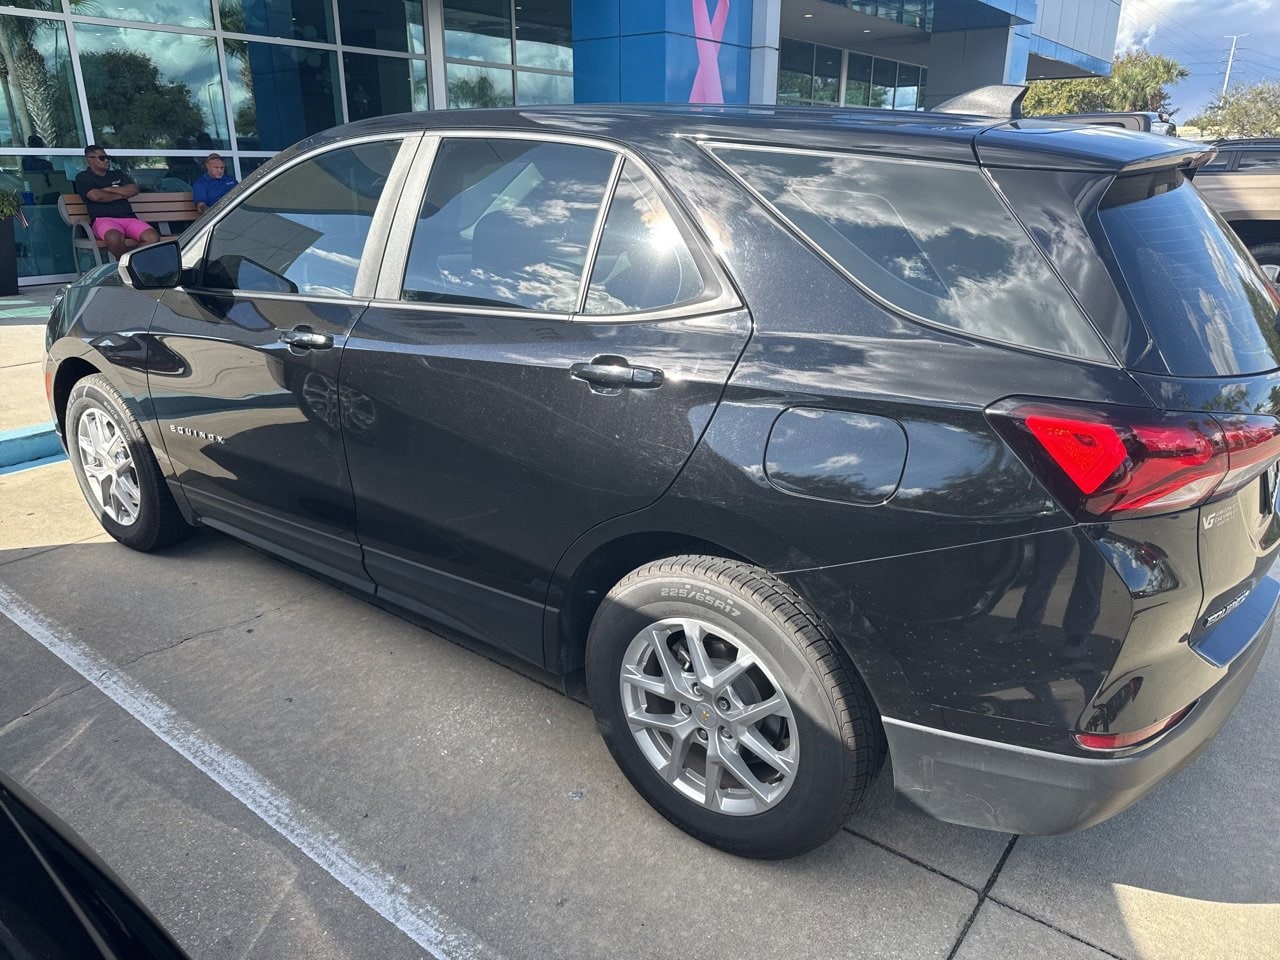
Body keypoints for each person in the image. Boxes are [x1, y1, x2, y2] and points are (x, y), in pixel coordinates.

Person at [73, 145, 159, 259]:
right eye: (102, 158)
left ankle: (130, 263)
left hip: (129, 219)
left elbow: (134, 190)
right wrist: (122, 194)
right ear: (90, 159)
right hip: (103, 219)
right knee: (114, 238)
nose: (107, 160)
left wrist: (109, 189)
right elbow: (97, 197)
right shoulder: (83, 177)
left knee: (153, 238)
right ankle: (125, 266)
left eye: (108, 157)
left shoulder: (117, 174)